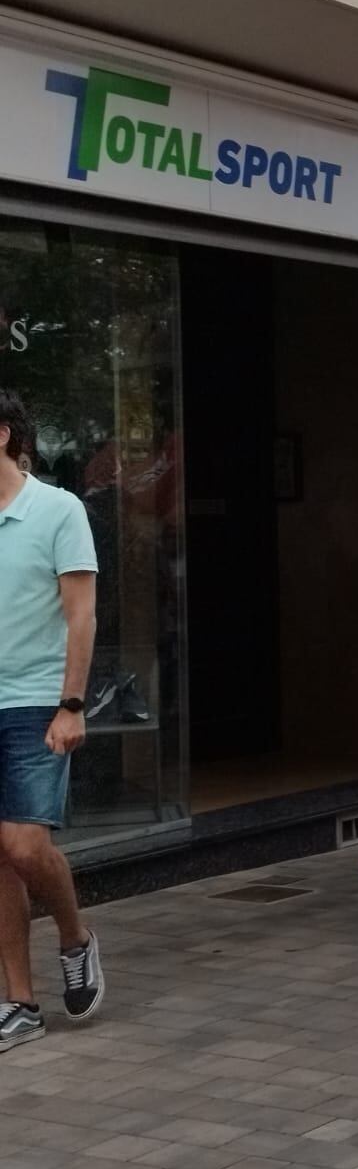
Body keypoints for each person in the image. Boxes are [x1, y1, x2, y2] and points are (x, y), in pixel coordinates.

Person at [0, 391, 106, 1048]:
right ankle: (20, 1002)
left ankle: (75, 937)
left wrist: (72, 703)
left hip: (37, 701)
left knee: (25, 848)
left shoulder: (58, 509)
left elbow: (82, 615)